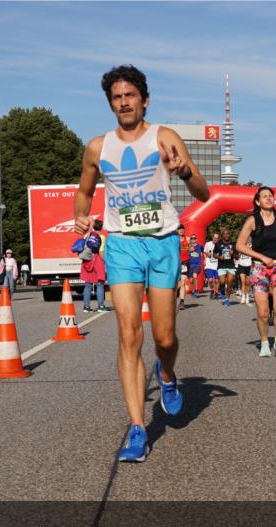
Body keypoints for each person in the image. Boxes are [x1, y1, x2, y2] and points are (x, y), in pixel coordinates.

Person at [74, 64, 209, 463]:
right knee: (129, 334)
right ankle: (137, 428)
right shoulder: (97, 147)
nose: (124, 103)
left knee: (164, 337)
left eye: (130, 95)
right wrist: (81, 215)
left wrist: (185, 172)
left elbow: (203, 193)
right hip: (122, 246)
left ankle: (166, 375)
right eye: (117, 97)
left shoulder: (164, 138)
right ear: (110, 104)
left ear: (144, 100)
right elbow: (83, 192)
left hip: (163, 243)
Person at [236, 186, 276, 359]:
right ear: (257, 202)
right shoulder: (252, 220)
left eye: (270, 196)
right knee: (263, 312)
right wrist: (261, 257)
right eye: (264, 196)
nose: (269, 198)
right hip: (259, 269)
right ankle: (264, 343)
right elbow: (239, 245)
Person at [80, 219, 108, 312]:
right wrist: (107, 262)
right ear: (101, 227)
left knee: (88, 284)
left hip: (87, 260)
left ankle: (86, 307)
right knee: (100, 284)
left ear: (93, 226)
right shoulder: (102, 237)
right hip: (97, 260)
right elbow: (101, 252)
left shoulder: (87, 235)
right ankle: (101, 306)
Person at [216, 228, 237, 305]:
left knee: (230, 282)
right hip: (221, 265)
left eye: (227, 233)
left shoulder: (233, 243)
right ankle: (221, 289)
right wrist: (219, 257)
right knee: (222, 282)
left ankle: (227, 299)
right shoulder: (218, 243)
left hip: (231, 266)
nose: (226, 235)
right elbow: (214, 254)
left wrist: (232, 254)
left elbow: (237, 257)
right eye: (224, 234)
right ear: (222, 235)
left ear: (229, 234)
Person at [203, 231, 220, 299]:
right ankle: (212, 290)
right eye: (214, 238)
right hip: (209, 265)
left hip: (217, 265)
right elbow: (204, 251)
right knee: (210, 280)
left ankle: (216, 292)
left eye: (217, 238)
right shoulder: (208, 244)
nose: (215, 239)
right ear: (212, 238)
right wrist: (207, 255)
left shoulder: (219, 245)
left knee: (216, 280)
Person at [236, 239, 253, 305]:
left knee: (247, 283)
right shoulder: (240, 246)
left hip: (249, 265)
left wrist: (249, 248)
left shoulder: (251, 246)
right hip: (241, 265)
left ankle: (247, 296)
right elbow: (237, 253)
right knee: (243, 282)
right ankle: (243, 297)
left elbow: (253, 253)